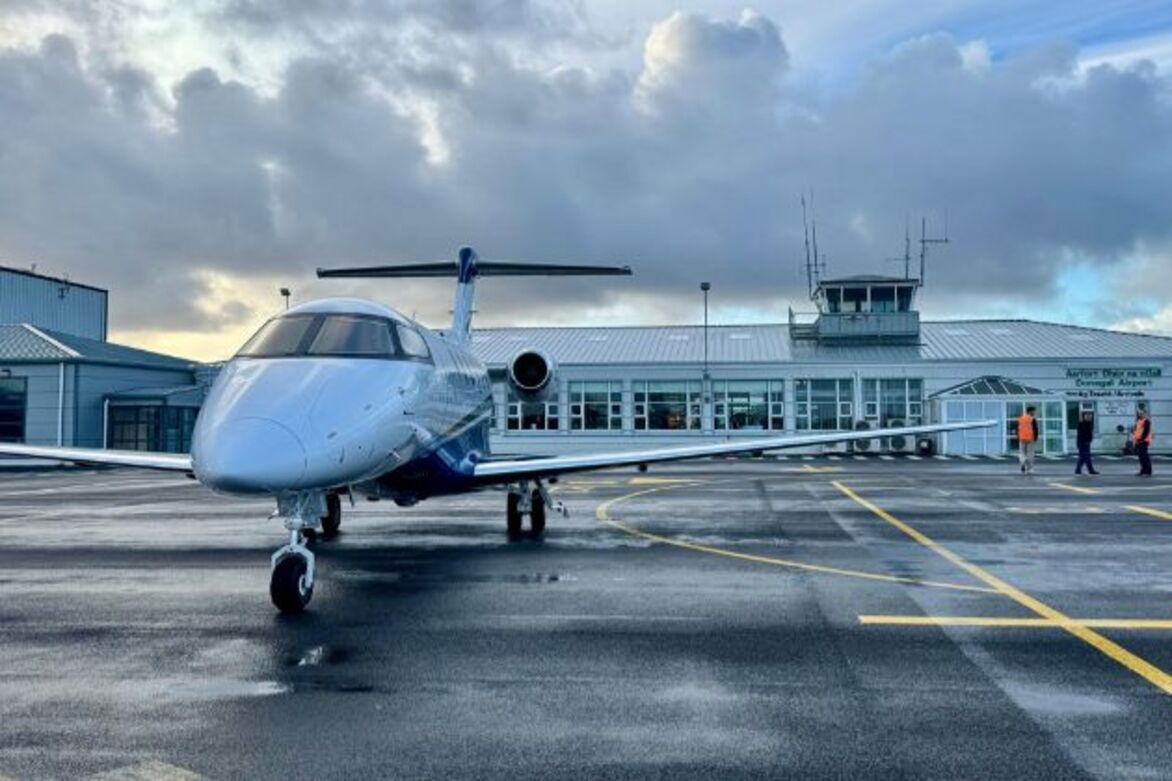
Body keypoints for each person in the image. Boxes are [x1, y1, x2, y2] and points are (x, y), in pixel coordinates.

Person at [1075, 411, 1098, 475]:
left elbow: (1089, 433)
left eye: (1090, 416)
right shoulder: (1082, 424)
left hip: (1086, 443)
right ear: (1084, 417)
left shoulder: (1089, 424)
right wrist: (1083, 442)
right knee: (1086, 457)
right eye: (1087, 416)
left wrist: (1090, 440)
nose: (1089, 417)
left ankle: (1078, 470)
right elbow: (1081, 435)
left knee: (1083, 458)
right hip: (1083, 443)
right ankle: (1090, 470)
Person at [1017, 406, 1039, 475]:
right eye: (1034, 411)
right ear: (1030, 411)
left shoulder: (1020, 419)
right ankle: (1029, 469)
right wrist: (1036, 438)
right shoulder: (1032, 419)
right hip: (1030, 438)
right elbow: (1035, 429)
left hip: (1022, 438)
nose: (1034, 413)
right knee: (1030, 453)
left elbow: (1017, 429)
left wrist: (1018, 437)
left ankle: (1023, 462)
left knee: (1022, 452)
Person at [1134, 408, 1154, 477]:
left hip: (1144, 441)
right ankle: (1143, 470)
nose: (1141, 414)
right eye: (1140, 413)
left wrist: (1141, 439)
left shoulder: (1146, 421)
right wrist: (1136, 440)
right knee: (1141, 457)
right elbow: (1136, 431)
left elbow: (1146, 432)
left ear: (1145, 414)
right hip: (1139, 441)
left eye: (1142, 413)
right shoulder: (1138, 421)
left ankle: (1148, 471)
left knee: (1144, 456)